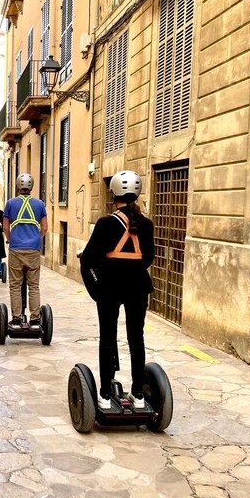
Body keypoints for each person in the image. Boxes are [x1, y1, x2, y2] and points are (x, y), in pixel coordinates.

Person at [80, 170, 154, 411]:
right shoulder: (146, 224)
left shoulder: (105, 223)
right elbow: (148, 259)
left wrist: (96, 290)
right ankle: (138, 394)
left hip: (110, 287)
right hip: (138, 287)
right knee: (136, 339)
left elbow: (88, 259)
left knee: (108, 338)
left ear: (113, 194)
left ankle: (103, 393)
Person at [3, 173, 48, 330]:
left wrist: (10, 239)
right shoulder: (39, 204)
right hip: (33, 249)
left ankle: (16, 320)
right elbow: (44, 228)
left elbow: (5, 227)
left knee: (15, 285)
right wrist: (36, 238)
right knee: (33, 286)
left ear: (17, 186)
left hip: (16, 249)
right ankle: (35, 320)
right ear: (32, 186)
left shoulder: (10, 203)